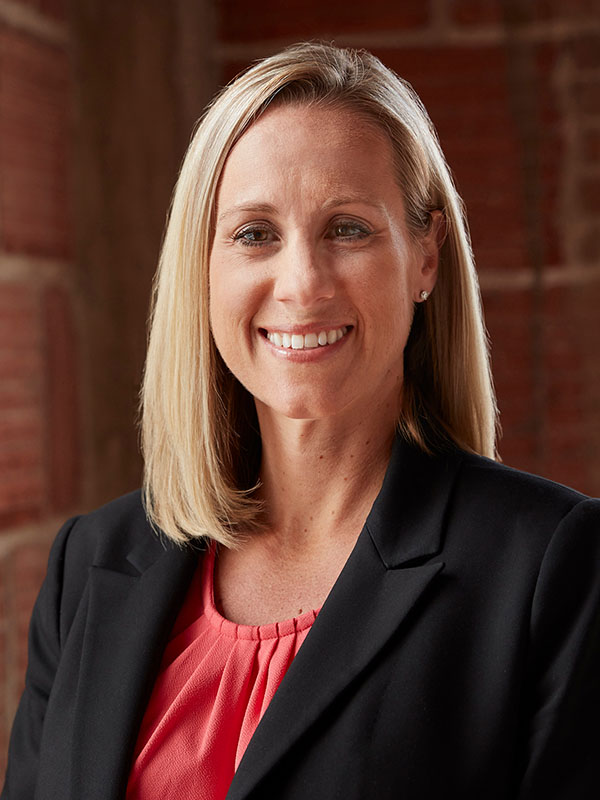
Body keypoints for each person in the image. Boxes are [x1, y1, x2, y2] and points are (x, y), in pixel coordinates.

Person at [2, 42, 599, 800]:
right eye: (255, 233)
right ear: (204, 267)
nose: (303, 284)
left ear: (426, 257)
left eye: (347, 228)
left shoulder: (552, 570)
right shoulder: (87, 566)